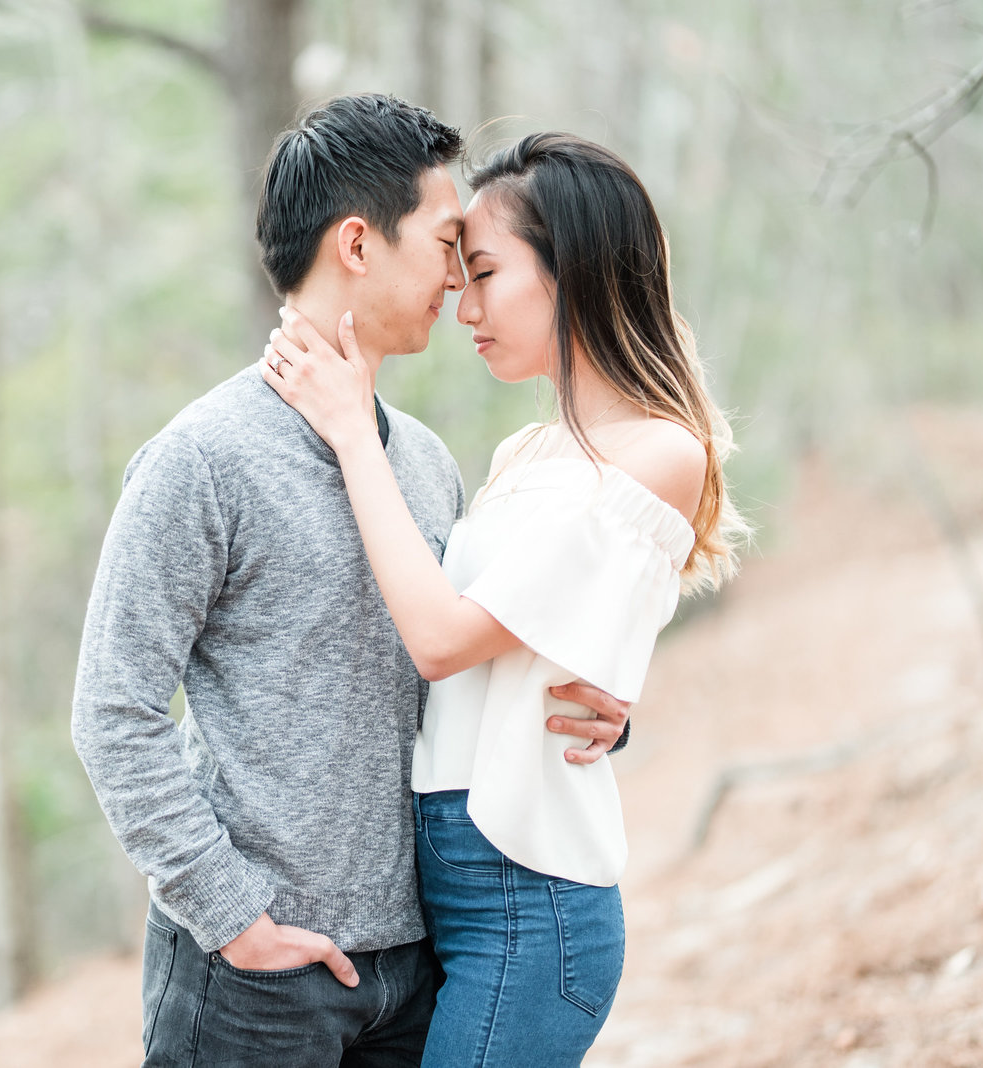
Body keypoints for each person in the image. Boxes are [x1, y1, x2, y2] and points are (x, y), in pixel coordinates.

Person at [70, 98, 633, 1067]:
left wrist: (599, 710)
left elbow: (452, 662)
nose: (459, 278)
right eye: (447, 241)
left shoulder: (418, 462)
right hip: (253, 977)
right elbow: (112, 712)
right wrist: (232, 918)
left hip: (411, 971)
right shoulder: (203, 459)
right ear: (359, 245)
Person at [261, 131, 748, 1065]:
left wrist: (351, 431)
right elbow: (507, 658)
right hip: (443, 887)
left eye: (483, 273)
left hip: (531, 902)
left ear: (577, 271)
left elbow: (443, 641)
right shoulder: (520, 457)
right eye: (460, 272)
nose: (463, 305)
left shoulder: (661, 452)